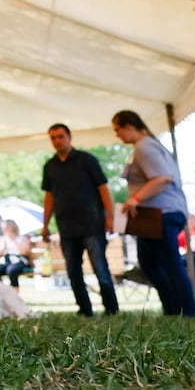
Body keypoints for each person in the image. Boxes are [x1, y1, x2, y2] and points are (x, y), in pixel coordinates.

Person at [112, 109, 195, 316]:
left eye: (118, 129)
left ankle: (188, 312)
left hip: (162, 213)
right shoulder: (149, 145)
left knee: (170, 263)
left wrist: (135, 199)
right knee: (149, 263)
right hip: (157, 214)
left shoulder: (145, 146)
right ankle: (172, 308)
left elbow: (162, 179)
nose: (117, 135)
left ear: (129, 127)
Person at [39, 122, 118, 316]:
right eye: (53, 137)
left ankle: (111, 309)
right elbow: (49, 197)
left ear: (69, 137)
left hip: (92, 224)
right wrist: (45, 224)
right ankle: (84, 310)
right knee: (73, 272)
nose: (57, 140)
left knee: (101, 269)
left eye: (60, 136)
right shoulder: (50, 167)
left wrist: (110, 217)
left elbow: (103, 189)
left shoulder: (87, 160)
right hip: (66, 227)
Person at [0, 219, 34, 289]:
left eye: (6, 227)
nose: (4, 230)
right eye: (3, 228)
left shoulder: (22, 238)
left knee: (11, 270)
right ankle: (1, 290)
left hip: (19, 261)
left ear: (13, 227)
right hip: (4, 261)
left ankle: (14, 292)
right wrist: (2, 248)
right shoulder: (1, 239)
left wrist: (14, 240)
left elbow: (25, 252)